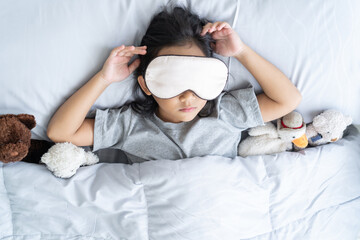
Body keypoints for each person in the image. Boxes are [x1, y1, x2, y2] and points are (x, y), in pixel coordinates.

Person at [47, 6, 302, 163]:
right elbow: (61, 132)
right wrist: (103, 79)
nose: (188, 96)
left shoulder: (224, 112)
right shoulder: (128, 125)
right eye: (173, 82)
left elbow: (288, 100)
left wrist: (242, 52)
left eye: (197, 80)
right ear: (146, 85)